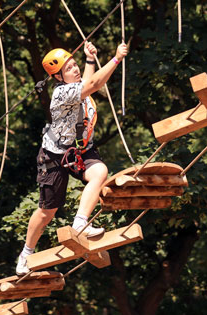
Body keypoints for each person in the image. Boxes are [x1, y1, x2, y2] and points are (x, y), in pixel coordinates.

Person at [16, 41, 128, 275]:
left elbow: (87, 82)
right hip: (54, 157)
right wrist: (116, 58)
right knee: (48, 211)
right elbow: (95, 83)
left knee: (100, 172)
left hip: (79, 151)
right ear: (58, 77)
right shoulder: (62, 93)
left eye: (75, 65)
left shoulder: (77, 86)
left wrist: (88, 60)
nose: (74, 70)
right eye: (68, 69)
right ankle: (26, 253)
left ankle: (81, 222)